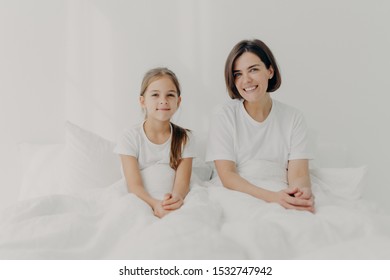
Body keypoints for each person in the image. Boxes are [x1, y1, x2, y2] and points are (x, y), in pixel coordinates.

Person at [206, 39, 315, 212]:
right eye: (238, 74)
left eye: (253, 70)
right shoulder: (223, 114)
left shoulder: (293, 117)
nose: (246, 80)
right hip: (236, 192)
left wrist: (299, 195)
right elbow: (227, 176)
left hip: (279, 187)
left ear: (270, 71)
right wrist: (273, 197)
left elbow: (299, 175)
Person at [114, 67, 195, 218]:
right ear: (142, 101)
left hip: (169, 199)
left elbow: (182, 183)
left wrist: (175, 199)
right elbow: (134, 185)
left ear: (178, 101)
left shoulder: (184, 137)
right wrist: (154, 204)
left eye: (170, 95)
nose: (163, 100)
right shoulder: (130, 137)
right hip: (141, 198)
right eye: (155, 95)